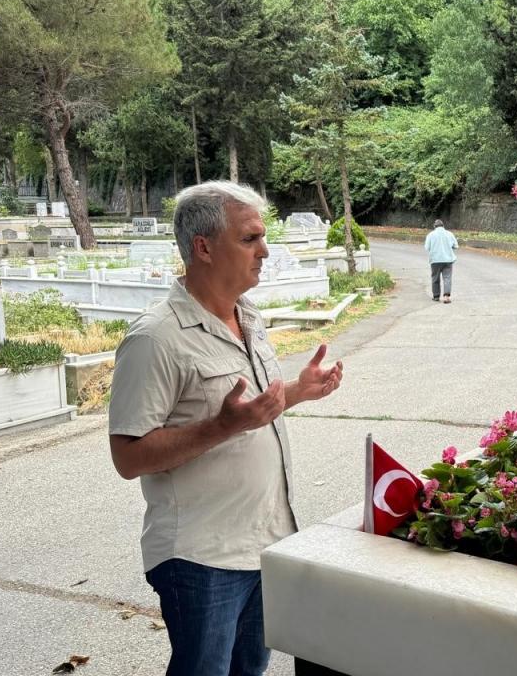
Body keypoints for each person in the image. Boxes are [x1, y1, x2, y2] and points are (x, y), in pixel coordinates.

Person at [107, 181, 344, 676]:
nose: (265, 250)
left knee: (249, 670)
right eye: (250, 238)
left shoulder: (248, 316)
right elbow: (128, 456)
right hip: (201, 558)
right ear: (204, 247)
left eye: (263, 237)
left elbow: (249, 412)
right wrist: (220, 427)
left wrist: (298, 390)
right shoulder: (156, 338)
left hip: (265, 542)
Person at [424, 218, 458, 303]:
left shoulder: (430, 235)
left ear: (434, 226)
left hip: (435, 260)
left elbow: (427, 247)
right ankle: (446, 297)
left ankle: (436, 296)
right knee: (447, 278)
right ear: (443, 226)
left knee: (435, 278)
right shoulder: (449, 234)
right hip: (448, 260)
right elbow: (456, 246)